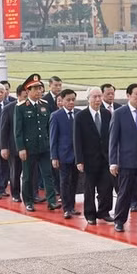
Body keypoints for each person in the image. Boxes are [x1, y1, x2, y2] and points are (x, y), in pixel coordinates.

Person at [110, 83, 137, 231]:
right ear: (128, 96)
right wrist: (113, 162)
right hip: (126, 160)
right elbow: (113, 140)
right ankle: (119, 220)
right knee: (125, 192)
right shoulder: (119, 113)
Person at [14, 74, 60, 212]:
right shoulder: (21, 107)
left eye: (40, 88)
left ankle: (51, 201)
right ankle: (28, 201)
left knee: (48, 174)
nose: (39, 91)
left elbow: (48, 127)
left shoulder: (44, 105)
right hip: (29, 148)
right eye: (35, 89)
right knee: (28, 176)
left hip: (44, 147)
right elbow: (18, 130)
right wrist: (21, 147)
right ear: (28, 91)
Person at [75, 87, 113, 225]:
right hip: (88, 159)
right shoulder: (81, 116)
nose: (97, 100)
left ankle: (104, 211)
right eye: (94, 97)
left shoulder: (107, 114)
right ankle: (90, 214)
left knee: (106, 187)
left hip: (105, 158)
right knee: (89, 188)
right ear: (88, 99)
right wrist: (79, 160)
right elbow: (77, 139)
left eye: (99, 96)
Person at [50, 89, 80, 219]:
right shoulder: (56, 116)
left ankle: (72, 206)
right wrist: (54, 156)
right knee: (64, 182)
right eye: (68, 100)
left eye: (73, 100)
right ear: (61, 101)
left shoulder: (79, 114)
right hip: (63, 155)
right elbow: (53, 137)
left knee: (75, 182)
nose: (71, 102)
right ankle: (66, 208)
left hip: (77, 155)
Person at [0, 84, 29, 202]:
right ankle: (15, 194)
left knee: (31, 174)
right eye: (24, 96)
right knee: (15, 172)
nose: (26, 99)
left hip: (30, 146)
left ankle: (31, 194)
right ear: (18, 95)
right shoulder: (9, 108)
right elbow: (3, 129)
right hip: (14, 147)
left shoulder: (32, 107)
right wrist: (4, 147)